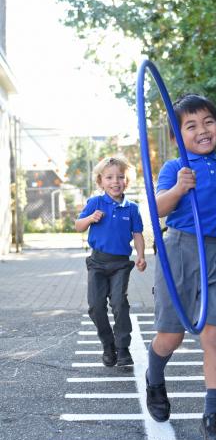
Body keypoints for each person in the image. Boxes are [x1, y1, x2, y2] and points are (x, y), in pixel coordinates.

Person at [146, 93, 216, 440]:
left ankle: (213, 416)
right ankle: (155, 376)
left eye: (208, 122)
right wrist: (179, 188)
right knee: (170, 337)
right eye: (190, 126)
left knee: (214, 337)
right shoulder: (174, 168)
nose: (202, 130)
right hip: (179, 249)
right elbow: (157, 209)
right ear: (177, 138)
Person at [75, 155, 146, 367]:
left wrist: (141, 256)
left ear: (127, 181)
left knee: (119, 303)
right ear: (100, 181)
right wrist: (90, 219)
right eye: (109, 177)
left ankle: (123, 348)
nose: (115, 181)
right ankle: (108, 345)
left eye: (120, 177)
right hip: (97, 263)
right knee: (96, 307)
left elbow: (138, 234)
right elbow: (78, 225)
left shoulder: (131, 208)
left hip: (120, 264)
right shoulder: (95, 203)